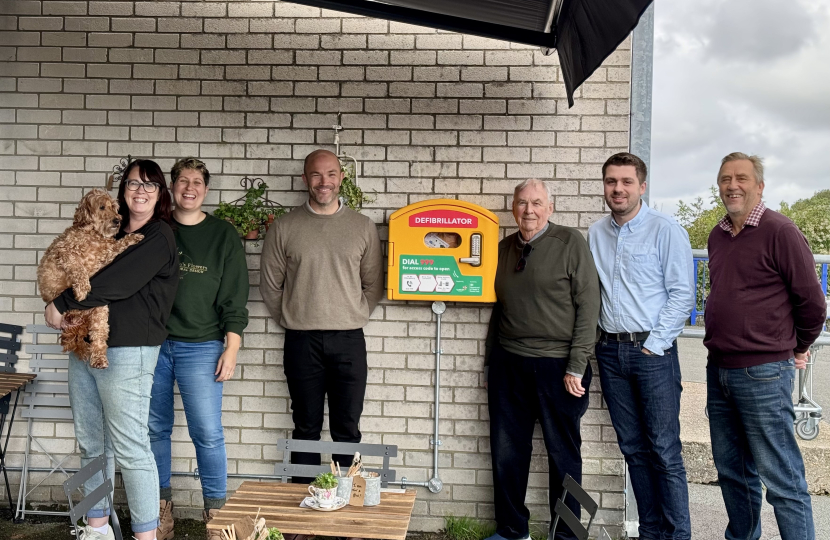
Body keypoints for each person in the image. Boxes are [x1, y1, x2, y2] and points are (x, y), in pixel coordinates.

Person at [45, 159, 179, 540]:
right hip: (86, 348)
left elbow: (118, 282)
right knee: (90, 444)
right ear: (122, 191)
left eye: (150, 185)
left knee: (132, 447)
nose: (140, 190)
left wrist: (62, 303)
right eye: (134, 183)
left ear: (160, 194)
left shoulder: (159, 237)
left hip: (128, 352)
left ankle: (145, 535)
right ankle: (97, 527)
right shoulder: (109, 236)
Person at [704, 152, 827, 540]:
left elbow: (813, 303)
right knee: (732, 473)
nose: (732, 185)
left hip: (763, 373)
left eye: (741, 178)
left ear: (759, 186)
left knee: (782, 479)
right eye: (725, 178)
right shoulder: (718, 234)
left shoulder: (781, 231)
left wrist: (797, 346)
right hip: (718, 369)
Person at [484, 178, 601, 540]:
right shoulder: (504, 248)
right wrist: (491, 364)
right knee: (507, 454)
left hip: (558, 367)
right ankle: (512, 530)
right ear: (513, 207)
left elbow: (589, 307)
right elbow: (499, 309)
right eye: (522, 203)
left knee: (564, 456)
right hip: (510, 365)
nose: (529, 210)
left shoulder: (570, 243)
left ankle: (567, 535)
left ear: (550, 207)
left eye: (536, 203)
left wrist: (577, 365)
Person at [588, 153, 694, 539]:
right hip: (610, 352)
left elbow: (683, 295)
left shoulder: (665, 229)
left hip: (653, 354)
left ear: (642, 186)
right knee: (632, 449)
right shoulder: (595, 232)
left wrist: (654, 345)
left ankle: (678, 535)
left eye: (626, 182)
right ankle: (650, 532)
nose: (618, 189)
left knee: (665, 452)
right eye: (611, 181)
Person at [260, 149, 383, 477]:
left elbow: (373, 285)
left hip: (349, 341)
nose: (323, 181)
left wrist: (349, 313)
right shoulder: (285, 227)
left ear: (342, 177)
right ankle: (306, 515)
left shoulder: (362, 227)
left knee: (348, 429)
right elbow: (271, 287)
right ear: (305, 180)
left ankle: (348, 508)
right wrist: (296, 315)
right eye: (316, 175)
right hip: (302, 341)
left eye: (331, 174)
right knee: (305, 428)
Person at [148, 158, 249, 540]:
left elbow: (235, 298)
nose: (190, 188)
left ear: (205, 189)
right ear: (171, 188)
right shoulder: (157, 230)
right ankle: (160, 512)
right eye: (182, 181)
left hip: (203, 346)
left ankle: (216, 518)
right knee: (154, 429)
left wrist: (232, 347)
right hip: (152, 346)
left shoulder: (222, 235)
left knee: (207, 432)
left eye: (197, 182)